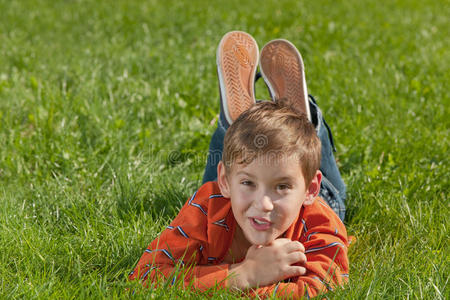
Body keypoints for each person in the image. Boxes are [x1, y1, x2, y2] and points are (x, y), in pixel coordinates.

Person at [129, 31, 349, 298]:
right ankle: (264, 125)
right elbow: (146, 276)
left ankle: (295, 120)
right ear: (223, 180)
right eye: (249, 184)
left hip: (317, 195)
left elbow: (321, 289)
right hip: (232, 191)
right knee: (243, 156)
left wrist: (239, 280)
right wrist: (244, 274)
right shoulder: (207, 206)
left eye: (281, 187)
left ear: (308, 189)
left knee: (318, 174)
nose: (263, 203)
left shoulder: (321, 223)